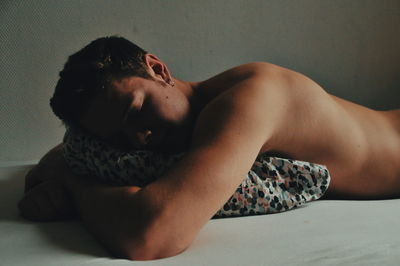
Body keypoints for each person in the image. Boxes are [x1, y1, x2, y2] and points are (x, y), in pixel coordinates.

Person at [18, 36, 400, 260]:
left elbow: (151, 234)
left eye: (137, 111)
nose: (139, 139)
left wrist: (75, 184)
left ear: (158, 69)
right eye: (118, 138)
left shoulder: (250, 98)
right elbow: (50, 163)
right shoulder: (185, 124)